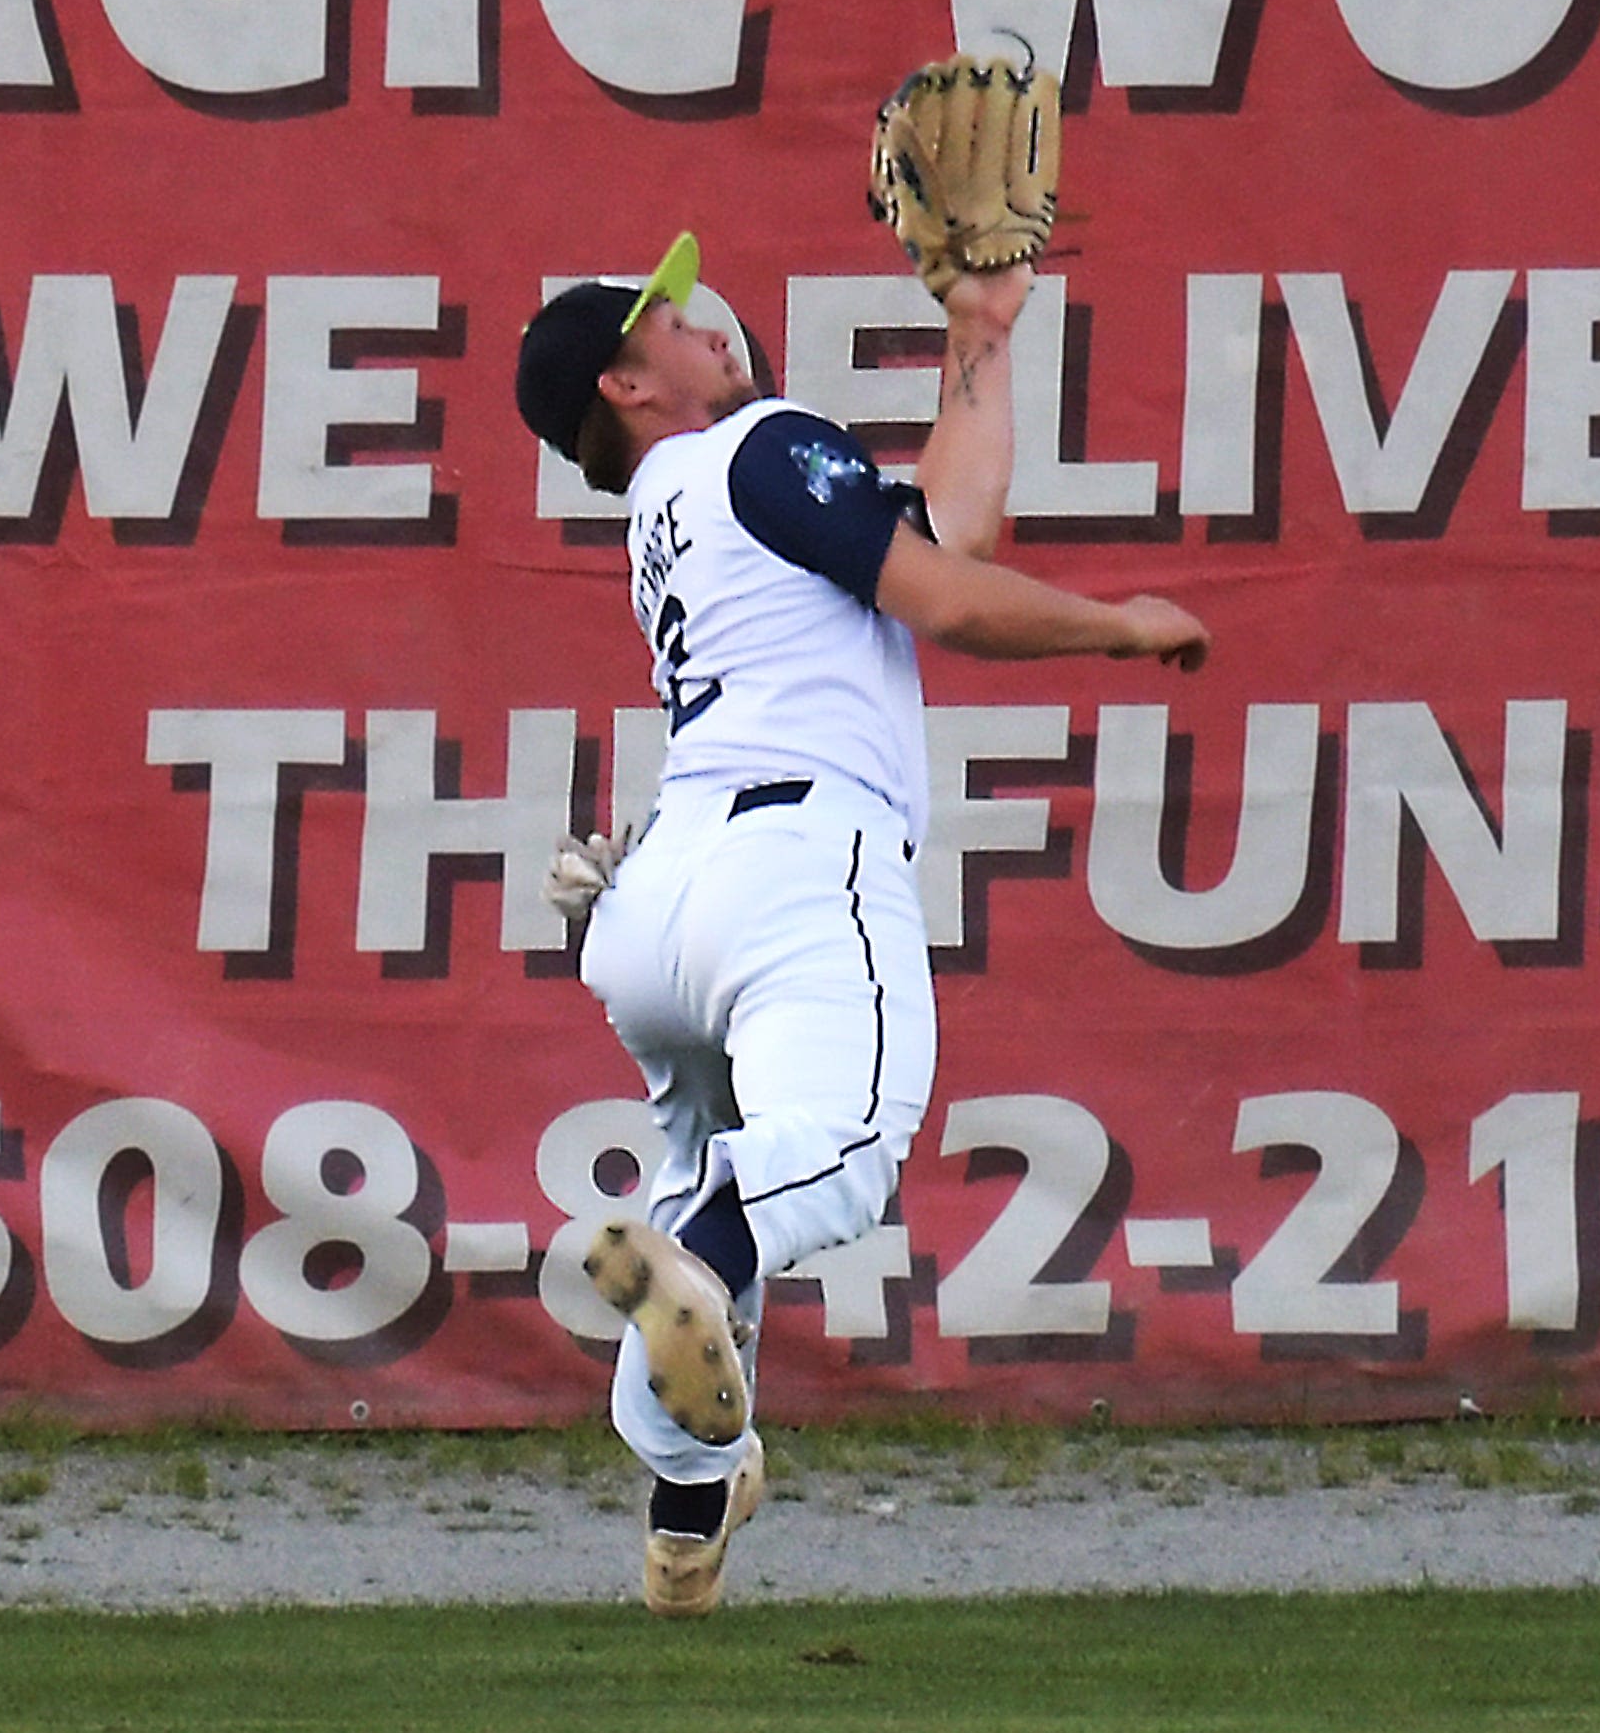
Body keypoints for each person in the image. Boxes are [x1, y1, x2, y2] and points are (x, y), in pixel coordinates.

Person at [512, 228, 1209, 1614]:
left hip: (660, 905)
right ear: (627, 384)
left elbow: (946, 529)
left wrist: (982, 328)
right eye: (670, 320)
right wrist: (1120, 627)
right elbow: (949, 596)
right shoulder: (761, 443)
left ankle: (684, 1505)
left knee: (707, 1210)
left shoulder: (673, 506)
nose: (707, 320)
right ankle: (698, 1249)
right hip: (797, 862)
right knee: (833, 1151)